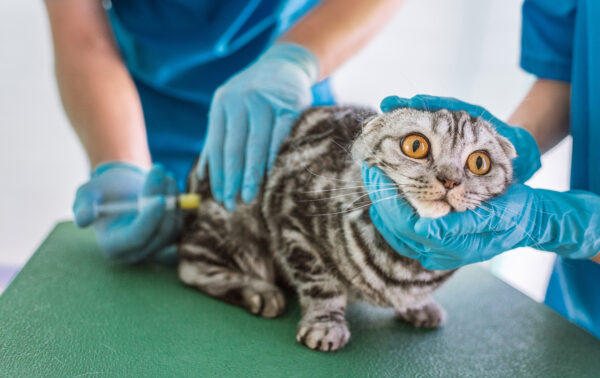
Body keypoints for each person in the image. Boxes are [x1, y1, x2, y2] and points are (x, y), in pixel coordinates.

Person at [44, 0, 403, 263]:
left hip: (287, 114)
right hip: (145, 131)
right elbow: (83, 38)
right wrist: (120, 166)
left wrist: (295, 60)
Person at [363, 0, 600, 337]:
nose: (449, 179)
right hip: (578, 312)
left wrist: (561, 225)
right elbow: (566, 69)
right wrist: (507, 152)